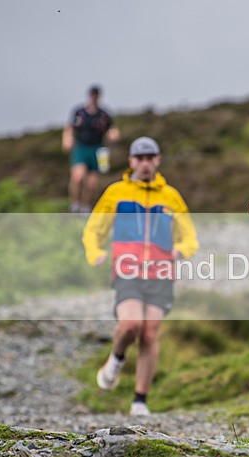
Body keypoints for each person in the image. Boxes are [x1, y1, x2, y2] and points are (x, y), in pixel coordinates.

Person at [82, 136, 198, 416]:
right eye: (140, 158)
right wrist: (94, 251)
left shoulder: (170, 196)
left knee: (149, 334)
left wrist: (180, 251)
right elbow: (93, 228)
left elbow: (189, 236)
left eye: (150, 158)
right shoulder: (116, 192)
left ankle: (139, 400)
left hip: (161, 274)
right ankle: (116, 359)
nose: (145, 163)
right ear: (131, 161)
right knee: (131, 325)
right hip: (128, 270)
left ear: (157, 160)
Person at [62, 85, 120, 214]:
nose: (94, 97)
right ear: (89, 96)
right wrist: (66, 139)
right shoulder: (79, 112)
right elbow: (69, 127)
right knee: (78, 176)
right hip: (81, 147)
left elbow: (112, 129)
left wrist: (113, 134)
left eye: (96, 95)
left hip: (98, 149)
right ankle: (75, 204)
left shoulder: (104, 115)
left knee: (92, 184)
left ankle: (86, 208)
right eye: (92, 95)